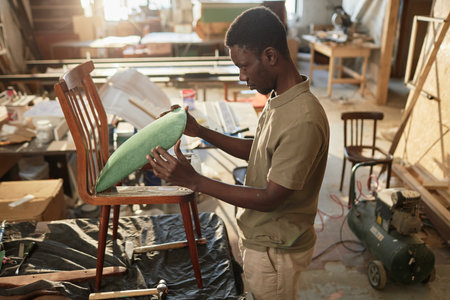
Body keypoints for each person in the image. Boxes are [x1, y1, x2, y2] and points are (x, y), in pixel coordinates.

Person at [146, 7, 329, 300]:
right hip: (263, 238)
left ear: (270, 56)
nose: (242, 77)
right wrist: (200, 131)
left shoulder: (303, 118)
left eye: (244, 66)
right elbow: (259, 149)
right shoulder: (280, 97)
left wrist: (195, 181)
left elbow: (270, 198)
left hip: (276, 251)